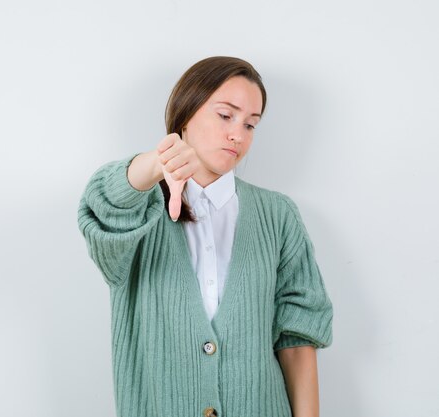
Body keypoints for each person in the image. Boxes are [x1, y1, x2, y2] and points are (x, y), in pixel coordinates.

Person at [77, 56, 333, 417]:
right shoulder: (137, 211)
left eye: (251, 124)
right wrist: (156, 165)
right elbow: (101, 205)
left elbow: (297, 339)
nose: (238, 135)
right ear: (185, 114)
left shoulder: (278, 215)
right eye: (226, 116)